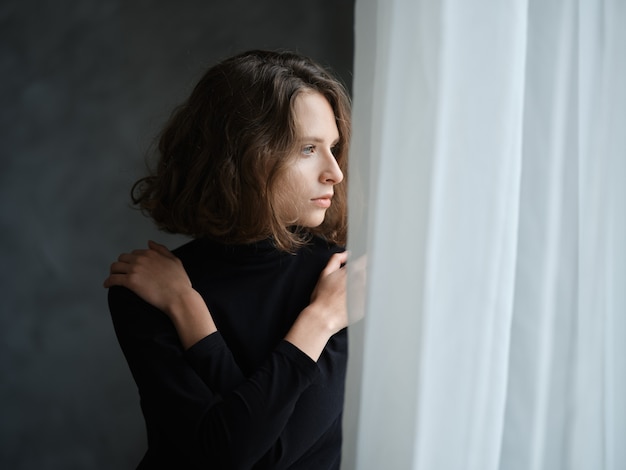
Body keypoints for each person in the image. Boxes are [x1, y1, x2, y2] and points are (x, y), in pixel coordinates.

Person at [104, 49, 351, 469]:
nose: (335, 172)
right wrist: (318, 324)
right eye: (308, 149)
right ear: (244, 155)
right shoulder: (146, 288)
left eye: (333, 147)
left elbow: (265, 458)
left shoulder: (339, 282)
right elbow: (229, 456)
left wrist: (189, 313)